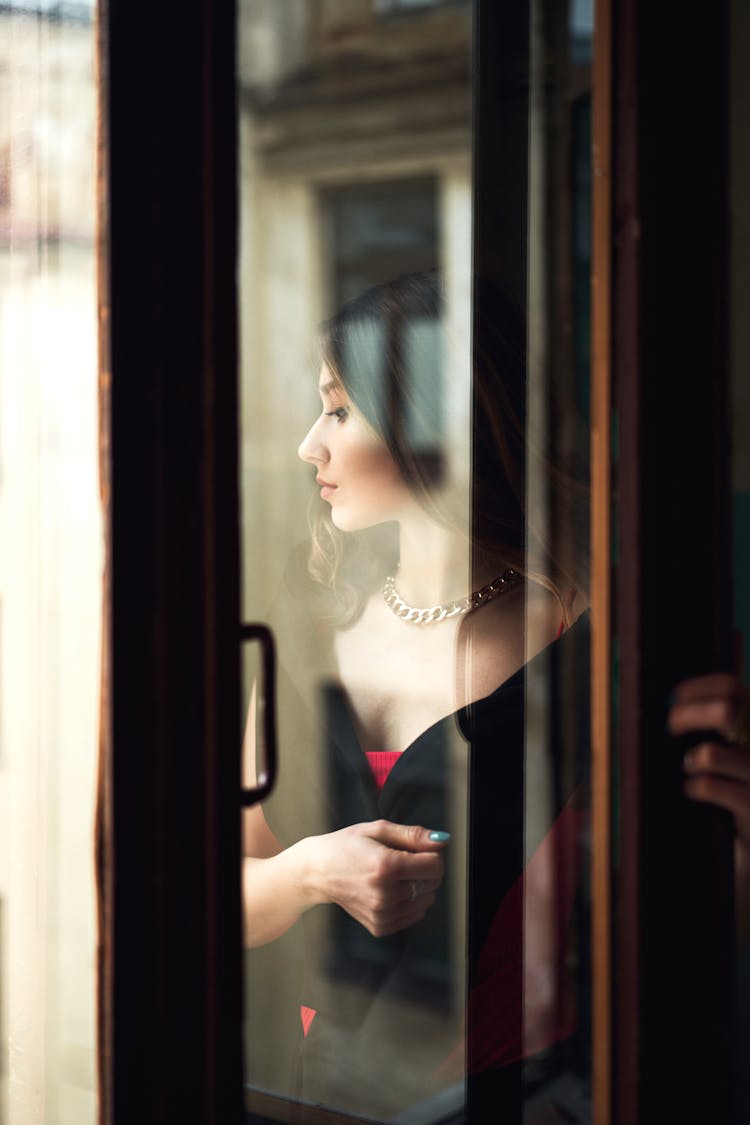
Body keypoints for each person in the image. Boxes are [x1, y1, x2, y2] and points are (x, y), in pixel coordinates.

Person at [242, 272, 593, 1121]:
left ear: (434, 421)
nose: (307, 446)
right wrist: (308, 872)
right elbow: (224, 896)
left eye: (339, 409)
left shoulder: (578, 639)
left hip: (510, 1094)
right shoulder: (306, 612)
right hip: (308, 1087)